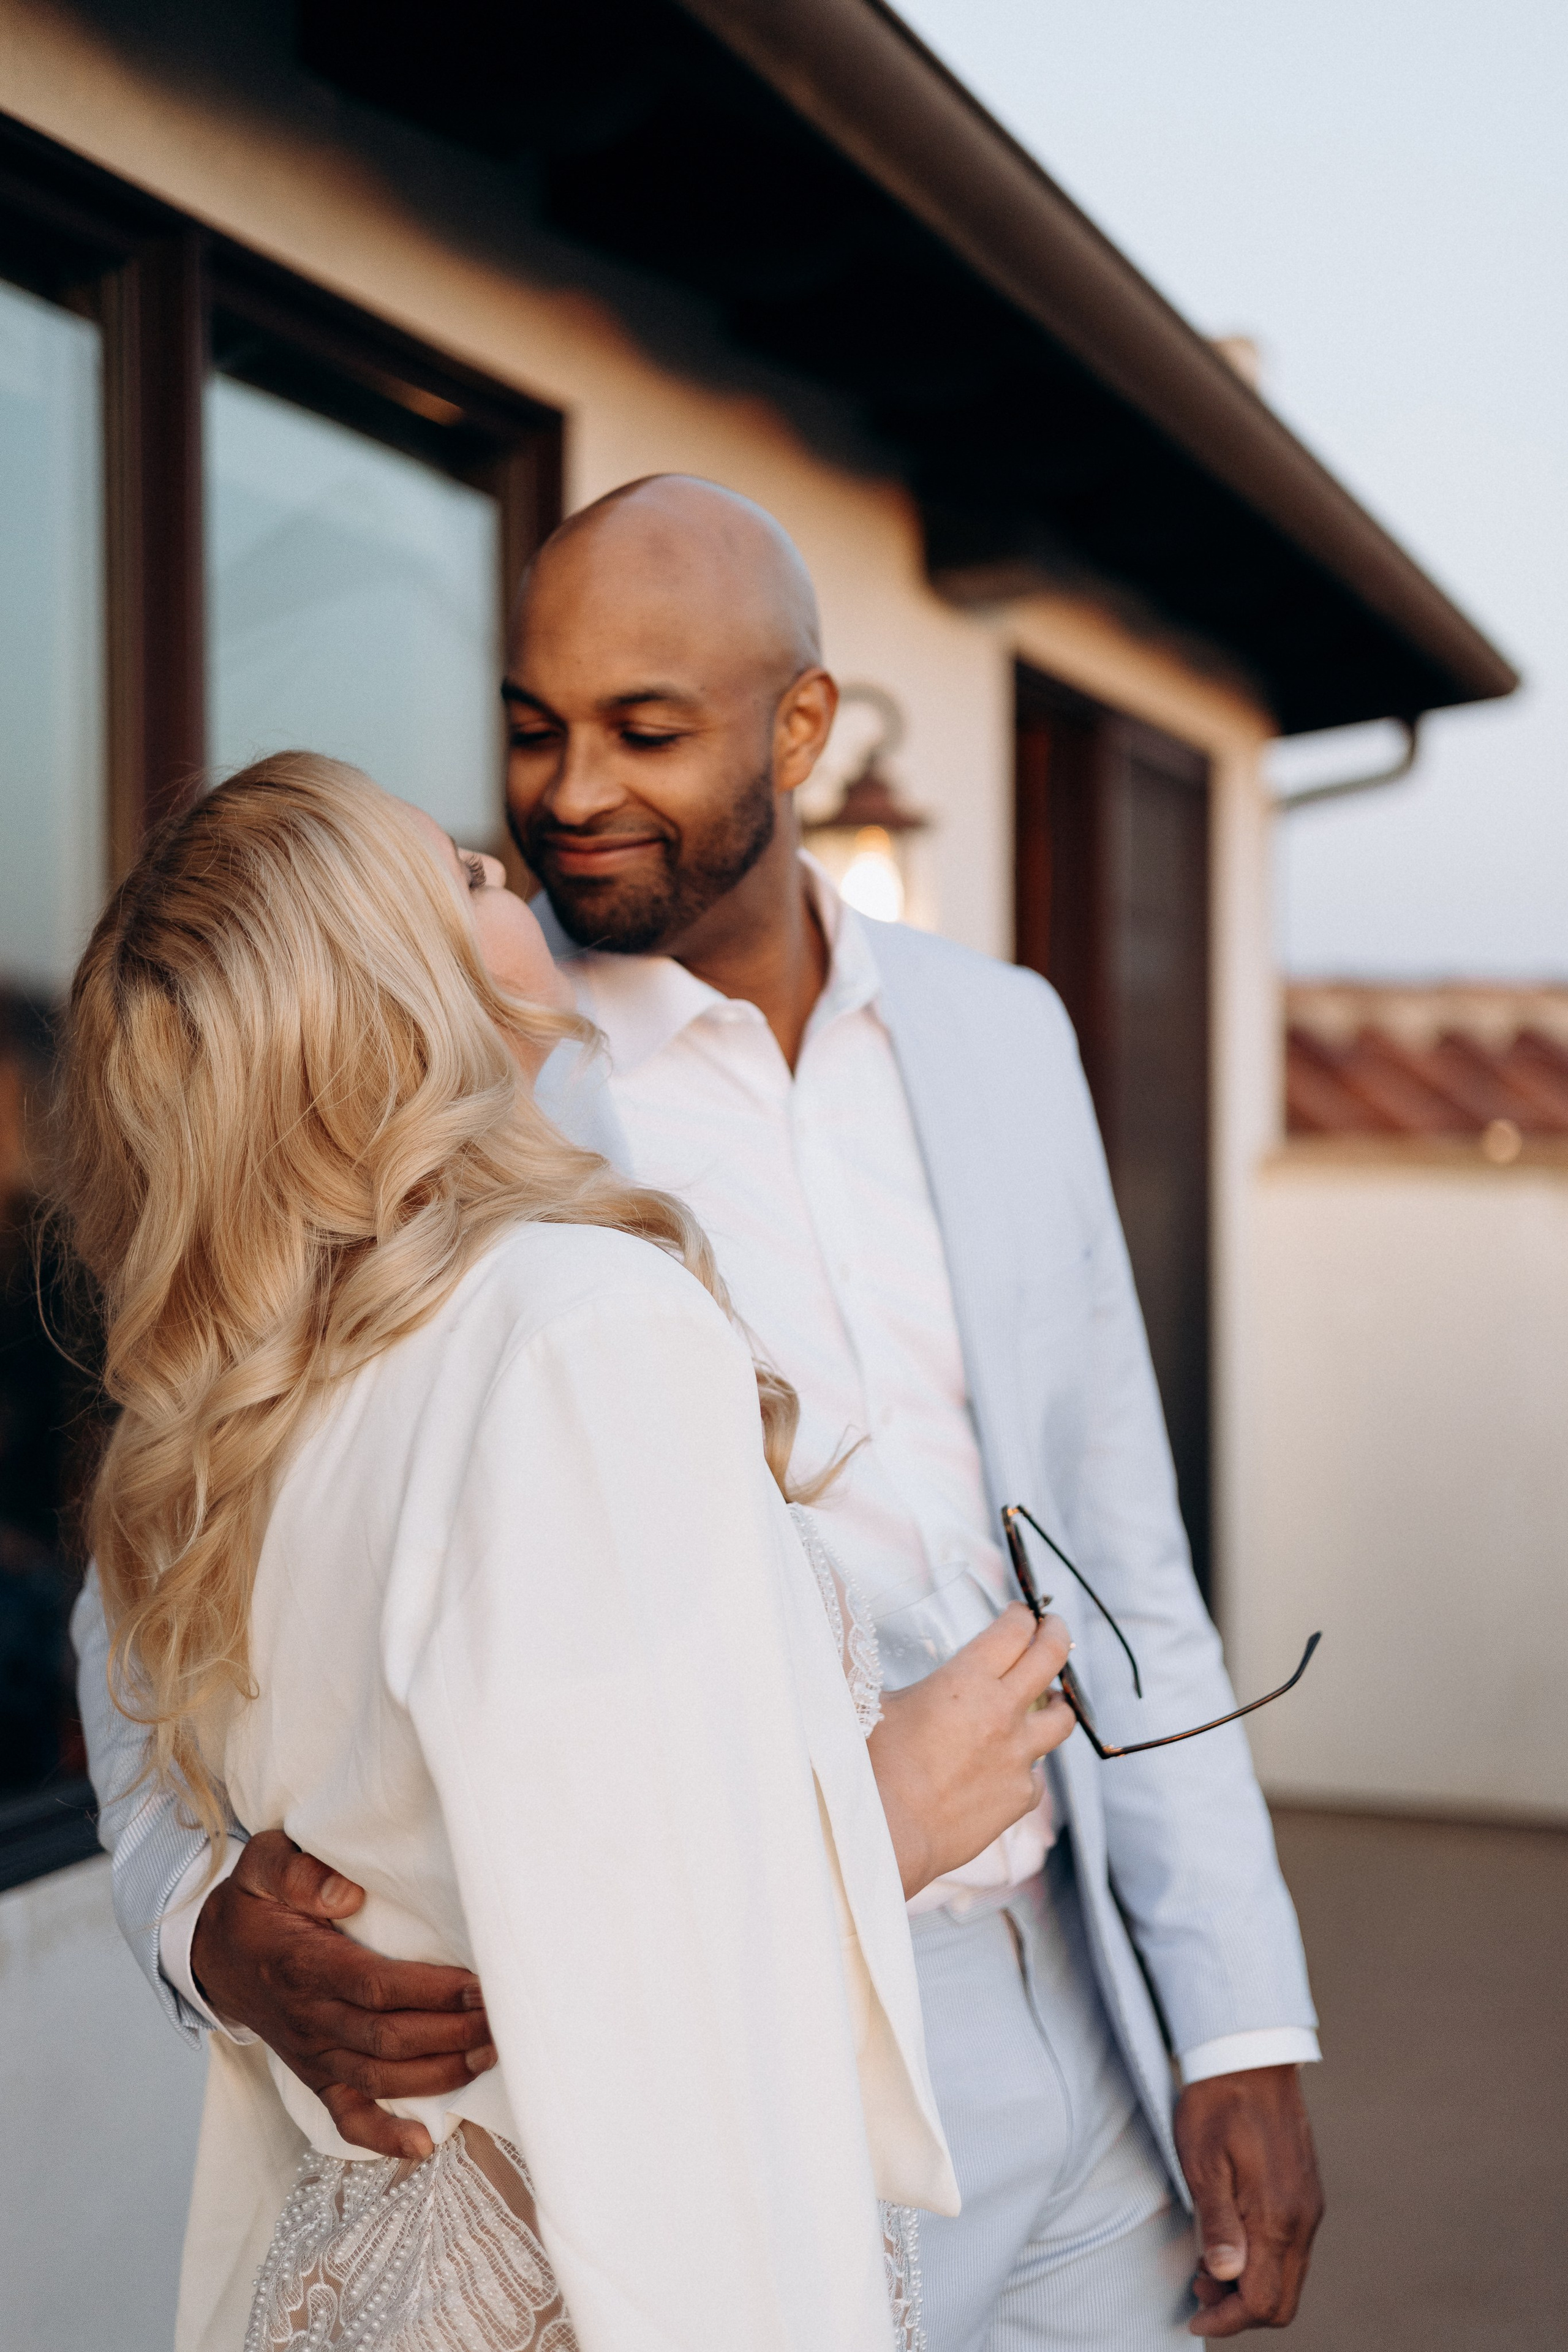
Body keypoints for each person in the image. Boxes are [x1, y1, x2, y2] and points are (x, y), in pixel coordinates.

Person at [78, 477, 1325, 2346]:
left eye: (644, 732)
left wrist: (1241, 2016)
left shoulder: (1007, 1039)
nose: (568, 791)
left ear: (799, 729)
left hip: (1071, 1999)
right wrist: (204, 1929)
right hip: (732, 2035)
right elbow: (177, 1566)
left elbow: (1121, 1539)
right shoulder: (457, 1069)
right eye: (530, 729)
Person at [61, 753, 1085, 2350]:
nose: (520, 884)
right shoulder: (580, 1331)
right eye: (468, 879)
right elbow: (620, 1972)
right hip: (582, 2282)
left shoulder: (203, 1433)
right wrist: (883, 1814)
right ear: (403, 999)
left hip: (351, 2281)